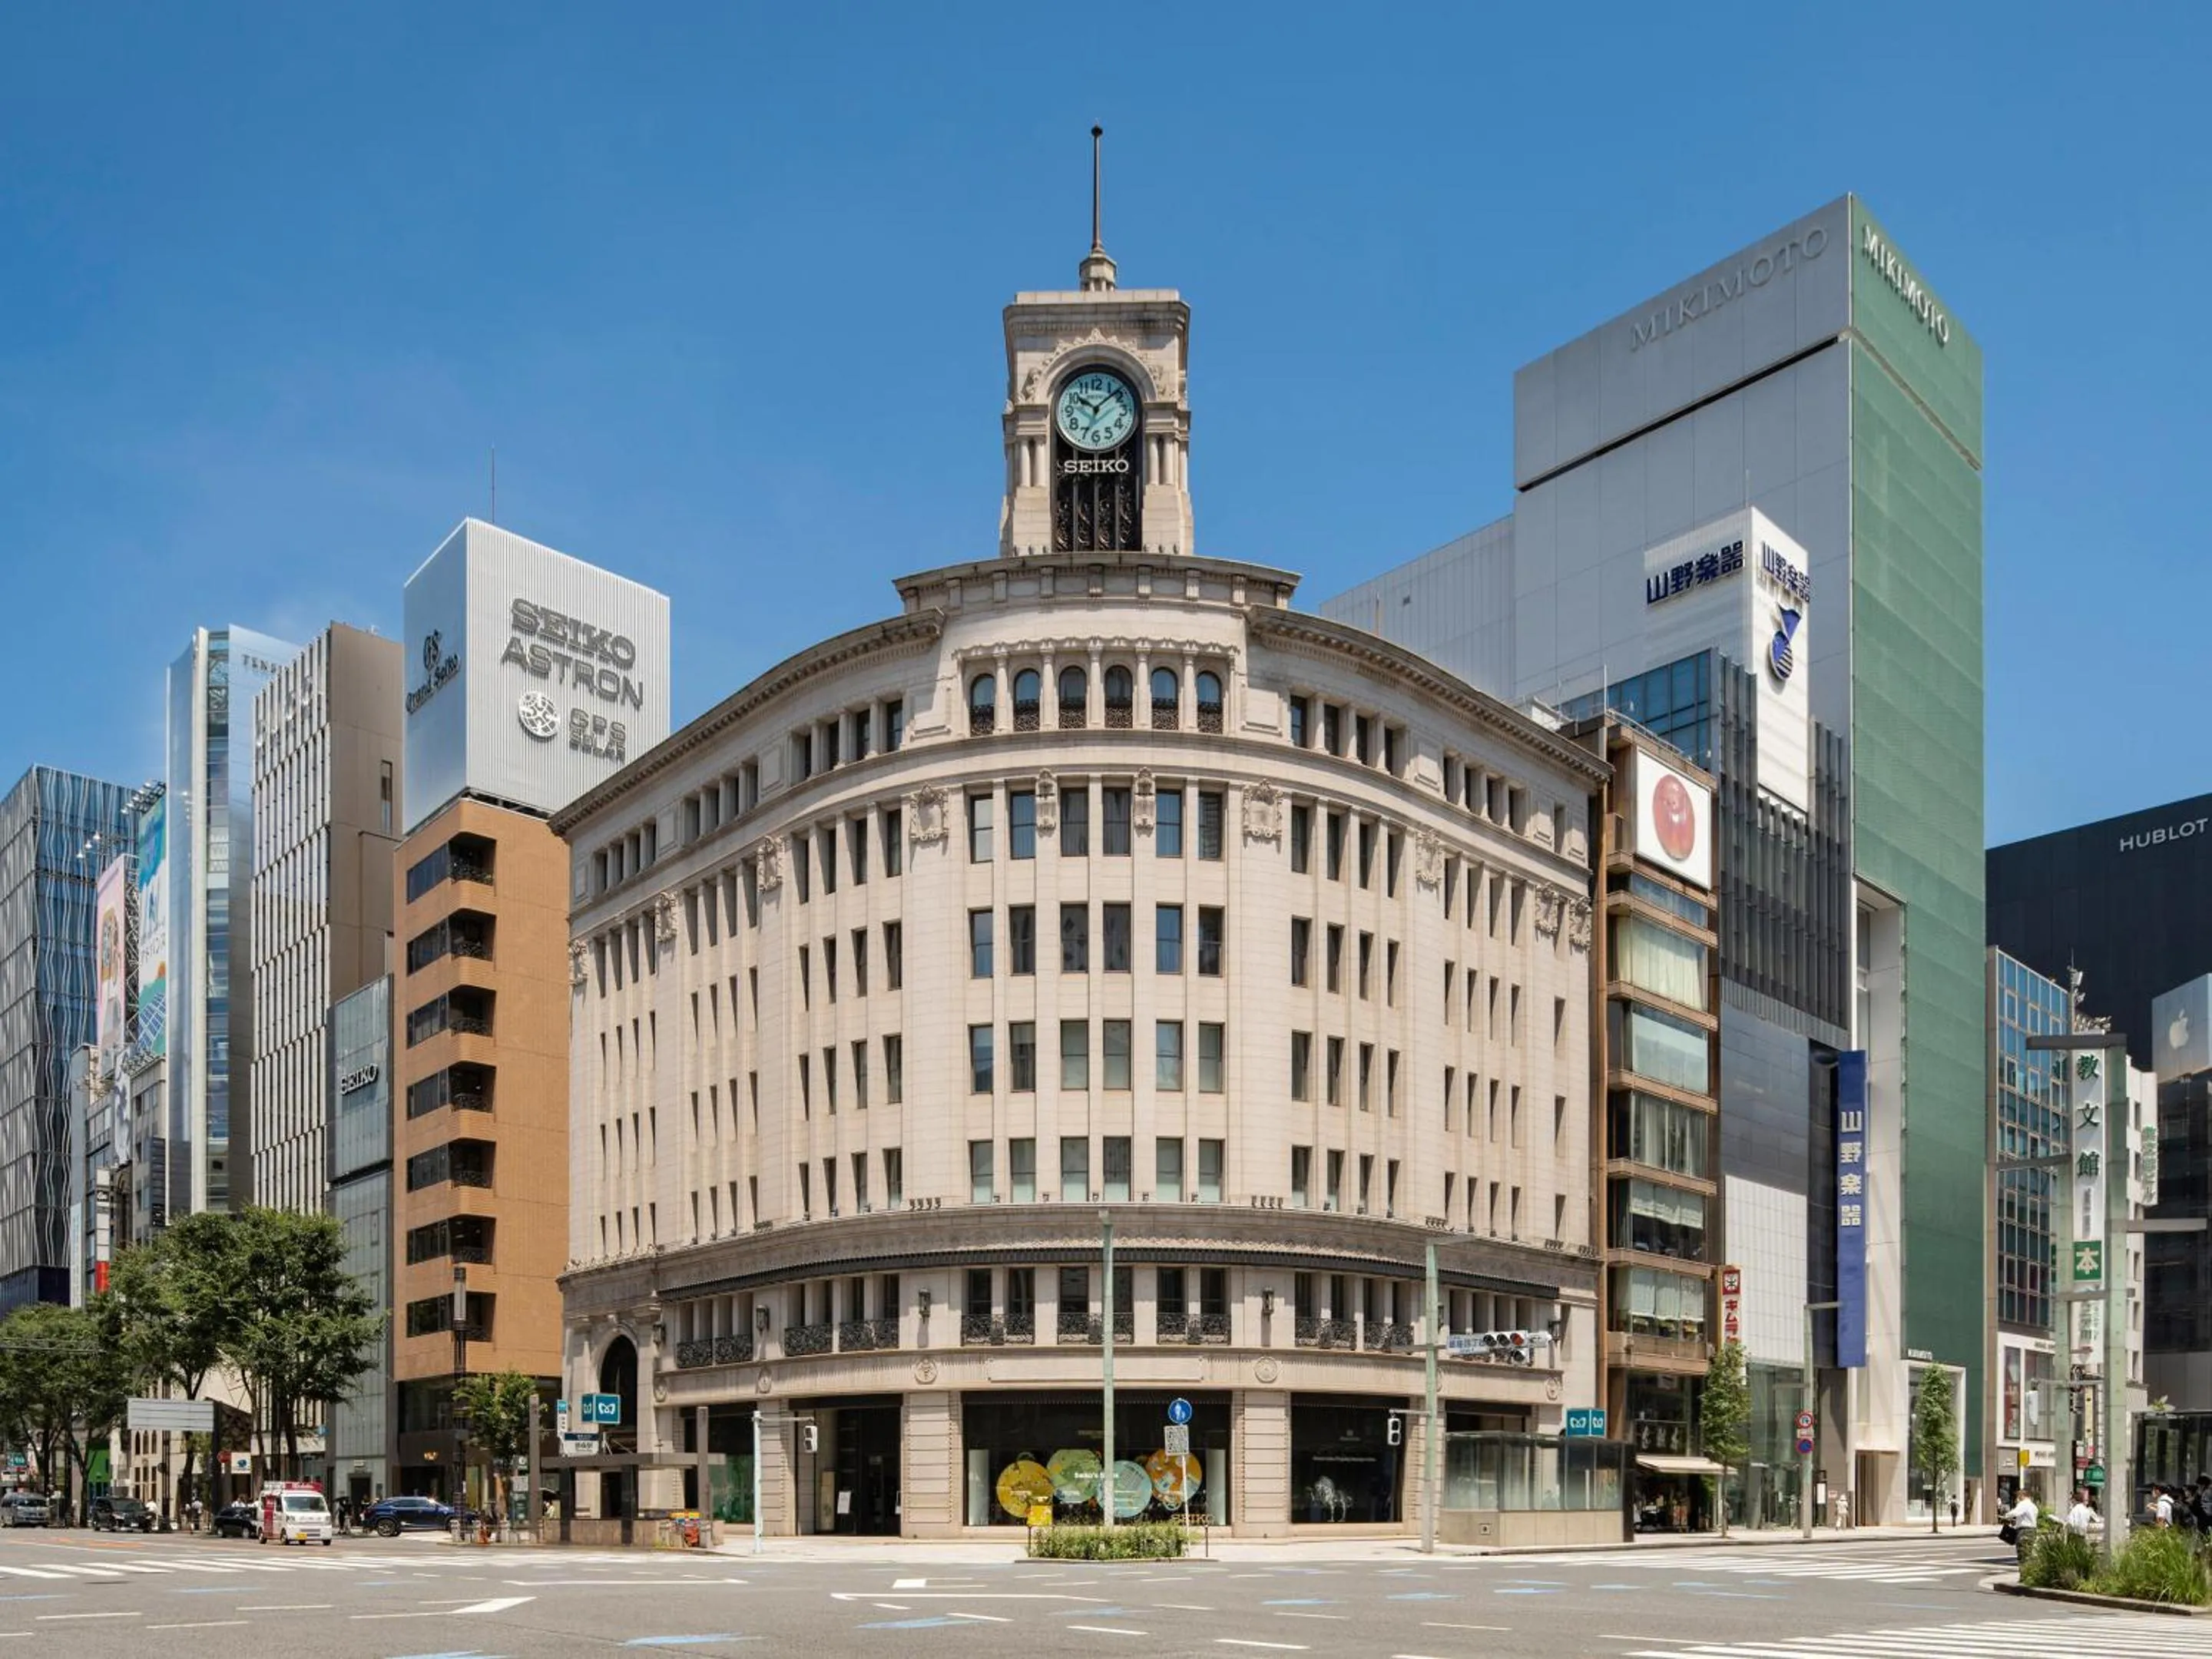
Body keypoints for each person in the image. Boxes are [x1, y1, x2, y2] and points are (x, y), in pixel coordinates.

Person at [2003, 1488, 2040, 1564]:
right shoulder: (2033, 1506)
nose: (2017, 1499)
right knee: (2028, 1552)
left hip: (2024, 1531)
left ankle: (2024, 1572)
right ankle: (2028, 1571)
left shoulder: (2024, 1504)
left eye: (2018, 1496)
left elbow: (2015, 1513)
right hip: (2032, 1531)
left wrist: (2006, 1516)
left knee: (2022, 1554)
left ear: (2023, 1496)